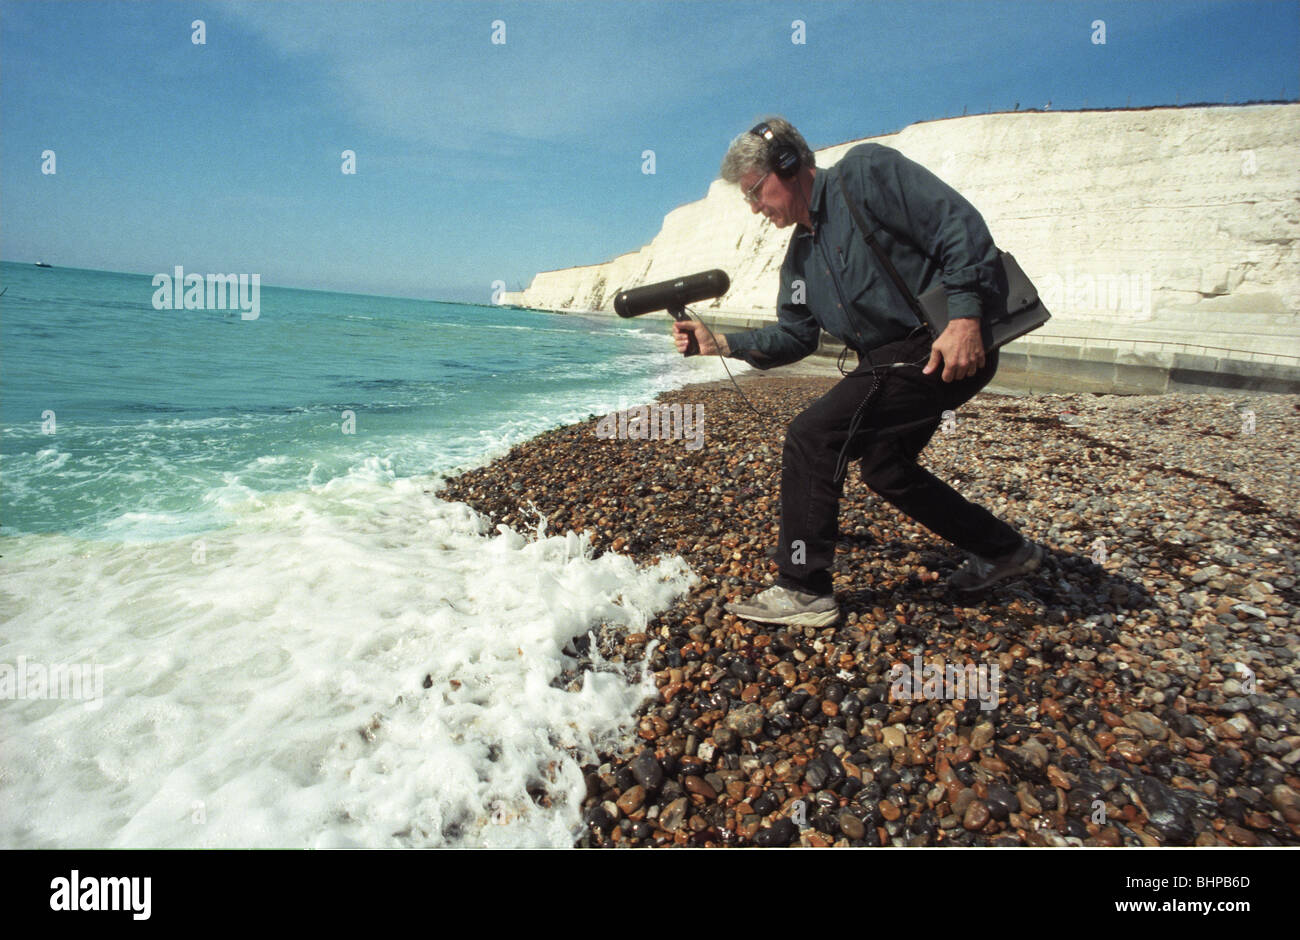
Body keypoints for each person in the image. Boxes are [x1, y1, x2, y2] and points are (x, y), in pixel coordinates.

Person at [672, 117, 1041, 627]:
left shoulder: (865, 175)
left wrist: (964, 316)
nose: (756, 208)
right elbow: (796, 336)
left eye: (756, 193)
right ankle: (1006, 551)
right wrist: (724, 343)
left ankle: (803, 589)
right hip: (890, 364)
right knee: (886, 469)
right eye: (748, 200)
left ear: (788, 165)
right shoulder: (800, 260)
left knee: (812, 435)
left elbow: (957, 224)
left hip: (938, 343)